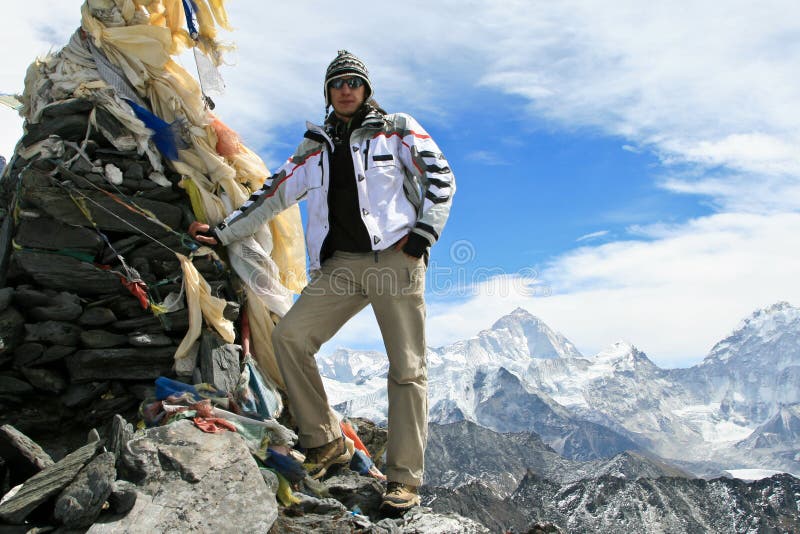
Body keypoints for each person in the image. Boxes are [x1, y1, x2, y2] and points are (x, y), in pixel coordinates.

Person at [189, 50, 455, 511]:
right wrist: (222, 231)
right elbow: (272, 194)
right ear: (329, 93)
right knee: (292, 337)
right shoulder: (315, 147)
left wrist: (421, 236)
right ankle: (324, 439)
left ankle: (404, 479)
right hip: (342, 267)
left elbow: (441, 177)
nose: (347, 89)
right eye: (338, 83)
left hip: (396, 259)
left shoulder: (397, 128)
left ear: (366, 89)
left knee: (407, 368)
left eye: (354, 81)